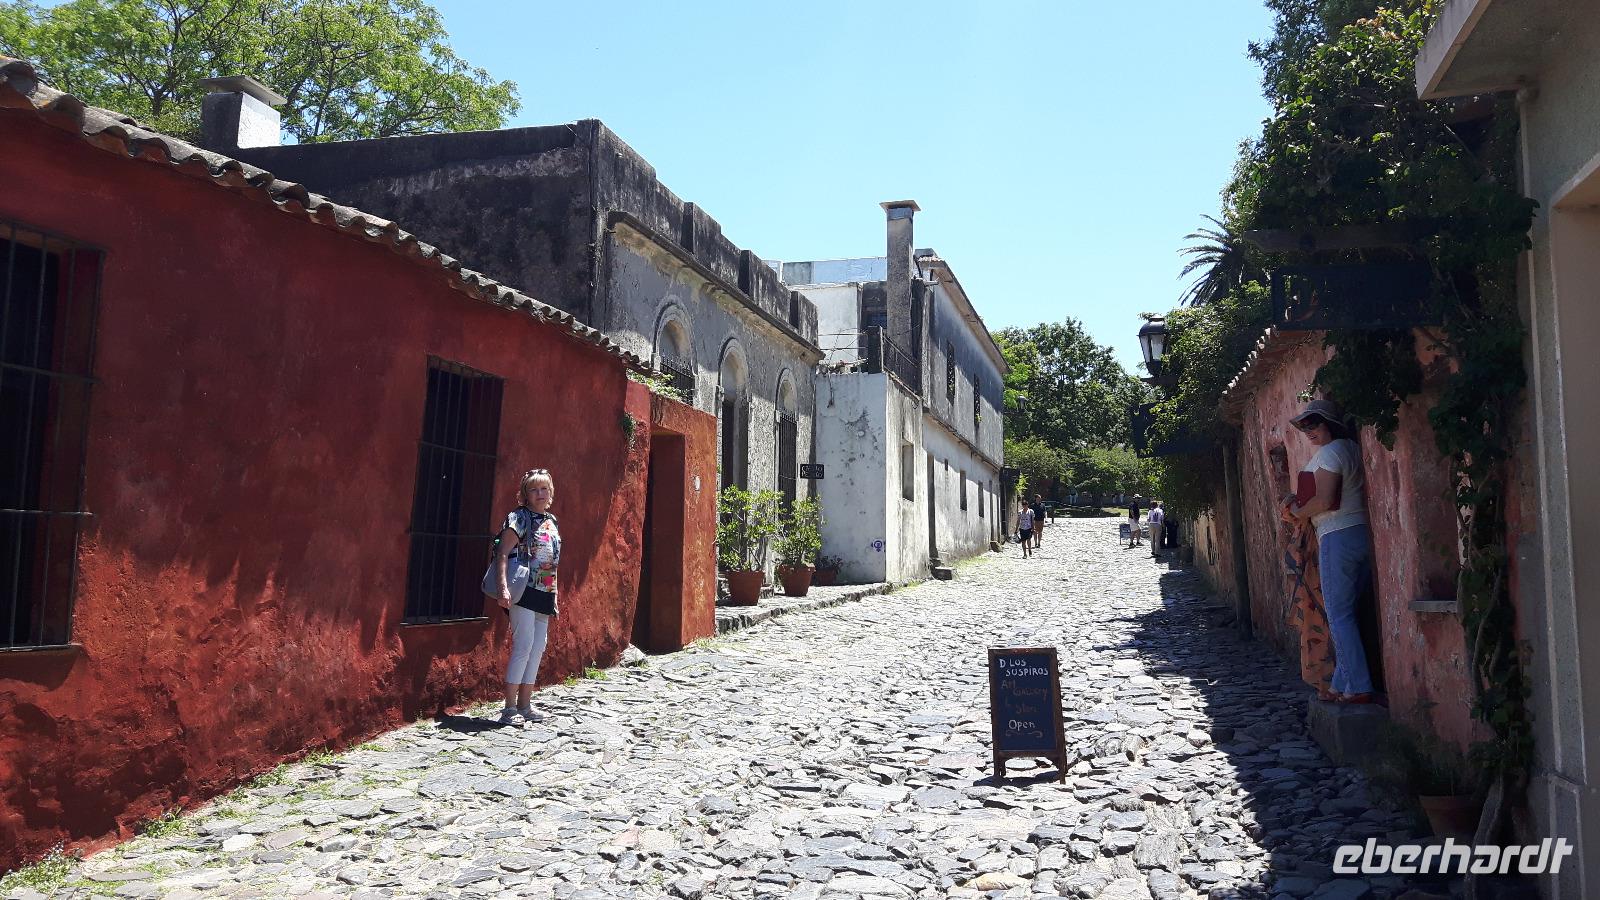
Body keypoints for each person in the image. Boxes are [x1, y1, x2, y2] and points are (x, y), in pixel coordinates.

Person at [1283, 399, 1375, 704]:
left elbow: (1323, 501)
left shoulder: (1330, 452)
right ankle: (1338, 684)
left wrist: (1297, 510)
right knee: (1347, 613)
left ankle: (1359, 686)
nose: (1309, 431)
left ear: (1329, 424)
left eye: (1315, 423)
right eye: (1305, 426)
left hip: (1337, 534)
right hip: (1360, 531)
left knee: (1338, 615)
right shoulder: (1350, 448)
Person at [487, 468, 562, 726]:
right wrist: (503, 588)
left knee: (538, 647)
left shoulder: (551, 521)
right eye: (534, 489)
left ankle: (525, 704)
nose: (539, 494)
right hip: (523, 590)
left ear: (550, 492)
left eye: (544, 489)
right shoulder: (518, 518)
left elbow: (552, 560)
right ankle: (509, 708)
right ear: (525, 494)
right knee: (523, 645)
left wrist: (555, 595)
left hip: (544, 593)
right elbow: (502, 553)